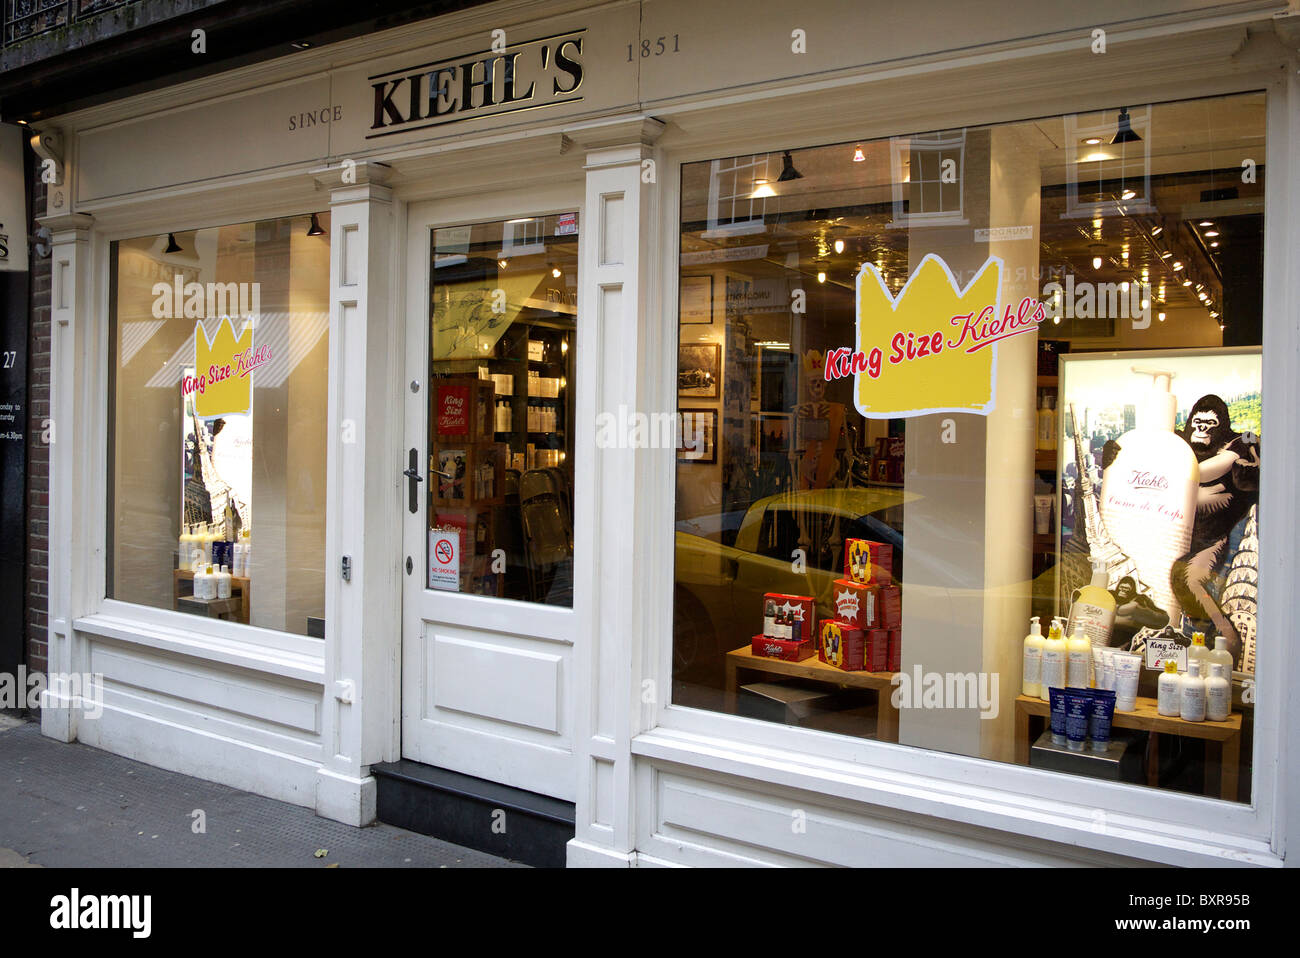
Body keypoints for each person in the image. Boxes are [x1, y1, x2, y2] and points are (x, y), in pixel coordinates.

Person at [1170, 394, 1260, 666]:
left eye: (1209, 424)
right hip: (1174, 532)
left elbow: (1202, 472)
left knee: (1191, 577)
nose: (1201, 429)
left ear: (1221, 426)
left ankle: (1226, 639)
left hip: (1217, 536)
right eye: (1197, 422)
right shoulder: (1178, 440)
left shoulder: (1240, 440)